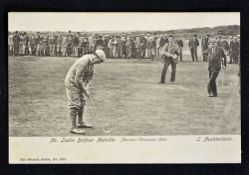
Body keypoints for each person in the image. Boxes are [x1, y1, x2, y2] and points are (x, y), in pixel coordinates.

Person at [64, 49, 106, 134]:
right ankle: (73, 127)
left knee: (82, 102)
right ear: (95, 57)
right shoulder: (84, 62)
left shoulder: (91, 63)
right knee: (75, 105)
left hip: (79, 83)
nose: (99, 63)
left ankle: (80, 122)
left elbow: (90, 77)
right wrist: (84, 90)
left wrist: (87, 88)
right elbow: (77, 79)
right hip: (72, 83)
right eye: (99, 61)